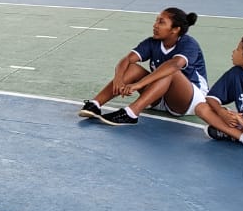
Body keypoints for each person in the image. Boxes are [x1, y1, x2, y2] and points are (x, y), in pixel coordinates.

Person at [79, 8, 208, 126]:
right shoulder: (153, 42)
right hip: (159, 95)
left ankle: (131, 113)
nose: (155, 25)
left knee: (171, 71)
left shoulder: (189, 44)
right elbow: (127, 59)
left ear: (175, 29)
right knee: (132, 67)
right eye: (156, 21)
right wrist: (118, 79)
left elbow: (174, 65)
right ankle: (95, 104)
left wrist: (139, 85)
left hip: (189, 101)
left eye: (161, 22)